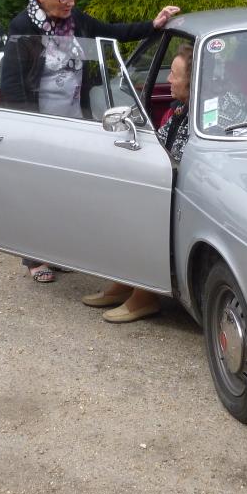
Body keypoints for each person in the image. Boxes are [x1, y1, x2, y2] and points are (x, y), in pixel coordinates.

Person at [2, 0, 179, 282]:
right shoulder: (22, 27)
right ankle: (34, 258)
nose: (70, 2)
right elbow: (12, 84)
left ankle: (59, 250)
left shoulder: (76, 21)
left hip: (74, 119)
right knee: (38, 189)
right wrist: (24, 126)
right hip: (40, 124)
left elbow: (112, 33)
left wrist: (154, 25)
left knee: (68, 187)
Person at [81, 44, 194, 322]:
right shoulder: (181, 107)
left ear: (192, 80)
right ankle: (126, 281)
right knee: (115, 198)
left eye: (175, 75)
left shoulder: (205, 113)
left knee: (140, 210)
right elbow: (161, 144)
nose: (168, 79)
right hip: (169, 181)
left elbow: (186, 162)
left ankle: (145, 294)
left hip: (186, 193)